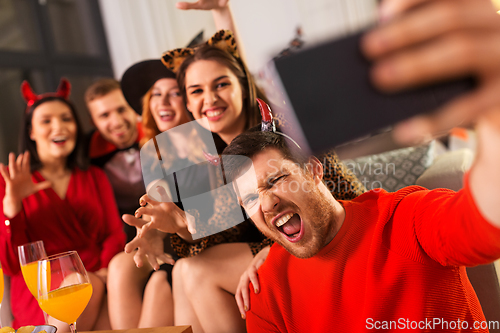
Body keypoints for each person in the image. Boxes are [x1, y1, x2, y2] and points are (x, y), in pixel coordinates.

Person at [218, 0, 500, 331]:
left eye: (277, 179)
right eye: (250, 199)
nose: (267, 203)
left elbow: (486, 222)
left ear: (313, 169)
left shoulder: (404, 221)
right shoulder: (265, 293)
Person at [126, 29, 365, 333]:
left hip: (323, 245)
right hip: (267, 257)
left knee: (196, 273)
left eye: (221, 84)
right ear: (187, 102)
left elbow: (347, 198)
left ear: (243, 85)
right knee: (186, 270)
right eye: (196, 91)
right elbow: (215, 245)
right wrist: (182, 225)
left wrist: (274, 248)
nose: (209, 99)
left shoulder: (286, 129)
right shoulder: (205, 159)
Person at [0, 79, 125, 331]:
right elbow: (12, 264)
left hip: (95, 277)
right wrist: (12, 206)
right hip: (40, 291)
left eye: (67, 119)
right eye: (46, 121)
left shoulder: (94, 177)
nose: (59, 126)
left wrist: (102, 270)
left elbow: (114, 233)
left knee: (86, 284)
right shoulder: (8, 184)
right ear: (31, 131)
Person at [84, 78, 144, 242]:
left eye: (121, 109)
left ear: (134, 108)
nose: (116, 122)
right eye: (104, 115)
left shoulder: (157, 134)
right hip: (118, 225)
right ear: (93, 122)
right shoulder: (85, 155)